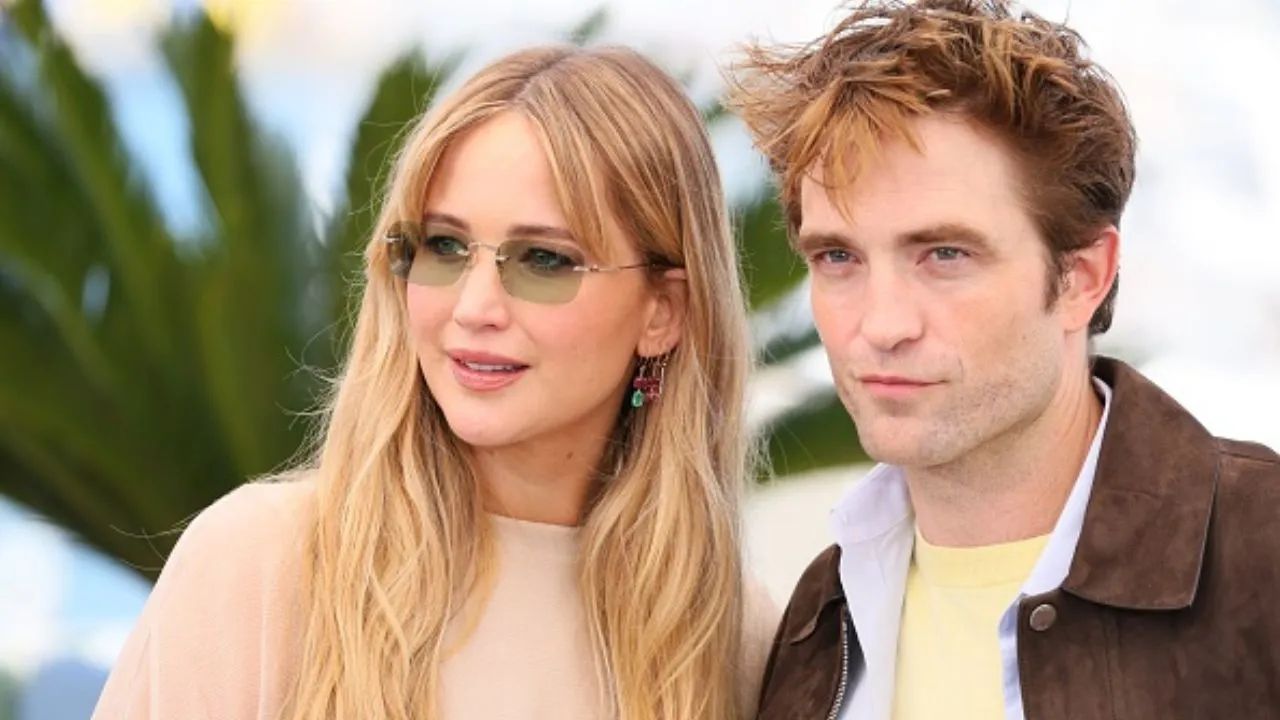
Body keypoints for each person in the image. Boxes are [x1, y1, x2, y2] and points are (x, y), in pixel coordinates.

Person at [93, 45, 778, 720]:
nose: (474, 308)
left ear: (663, 312)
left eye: (544, 259)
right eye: (444, 246)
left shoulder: (737, 641)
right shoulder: (261, 564)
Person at [727, 1, 1280, 719]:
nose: (882, 324)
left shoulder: (1262, 553)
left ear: (1083, 278)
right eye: (839, 257)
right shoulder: (816, 623)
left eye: (945, 254)